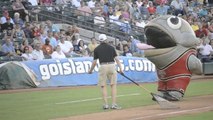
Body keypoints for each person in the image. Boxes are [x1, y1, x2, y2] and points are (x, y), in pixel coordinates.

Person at [88, 34, 123, 110]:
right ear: (106, 40)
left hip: (103, 66)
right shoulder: (111, 48)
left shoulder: (96, 49)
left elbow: (94, 62)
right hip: (112, 65)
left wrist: (90, 70)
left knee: (103, 86)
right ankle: (114, 104)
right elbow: (117, 59)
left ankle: (106, 105)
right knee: (113, 85)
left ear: (99, 40)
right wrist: (121, 69)